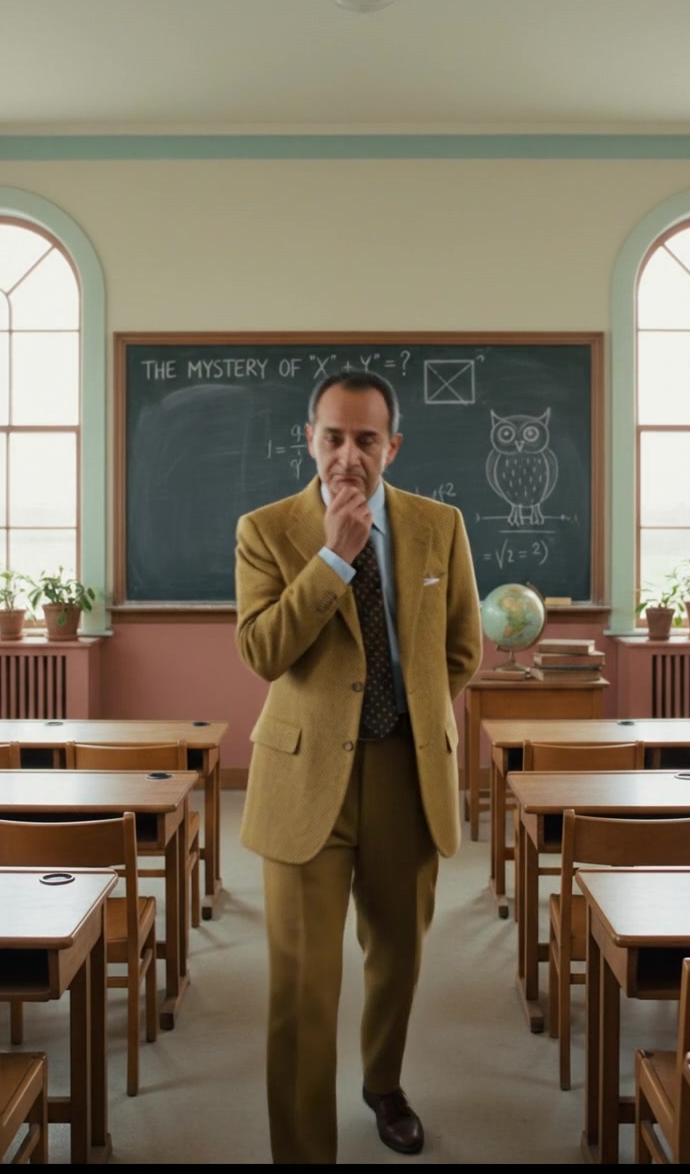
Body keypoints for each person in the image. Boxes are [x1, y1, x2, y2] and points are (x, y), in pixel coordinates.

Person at [234, 368, 482, 1165]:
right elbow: (264, 651)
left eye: (366, 439)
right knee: (302, 988)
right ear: (310, 438)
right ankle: (303, 1150)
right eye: (333, 436)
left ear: (392, 446)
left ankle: (384, 1084)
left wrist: (407, 711)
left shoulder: (439, 524)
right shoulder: (266, 530)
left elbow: (461, 650)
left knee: (397, 960)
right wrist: (334, 561)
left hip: (407, 773)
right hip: (305, 780)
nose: (348, 455)